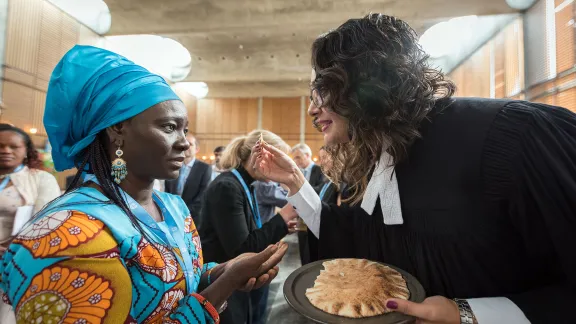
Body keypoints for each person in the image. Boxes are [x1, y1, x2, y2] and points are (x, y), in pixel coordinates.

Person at [253, 13, 576, 324]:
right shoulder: (380, 157)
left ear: (367, 84)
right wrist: (296, 183)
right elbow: (359, 237)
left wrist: (465, 314)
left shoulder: (515, 136)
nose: (311, 108)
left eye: (321, 89)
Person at [0, 45, 288, 324]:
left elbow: (175, 283)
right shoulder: (69, 234)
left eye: (184, 129)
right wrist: (224, 287)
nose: (185, 143)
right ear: (117, 129)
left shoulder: (172, 207)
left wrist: (221, 272)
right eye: (168, 127)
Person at [197, 130, 298, 324]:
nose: (279, 169)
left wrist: (282, 225)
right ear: (257, 155)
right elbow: (242, 249)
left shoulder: (245, 184)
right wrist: (284, 216)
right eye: (276, 161)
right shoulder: (227, 186)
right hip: (221, 282)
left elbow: (250, 234)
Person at [0, 124, 61, 242]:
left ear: (26, 151)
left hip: (18, 252)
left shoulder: (42, 179)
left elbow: (46, 221)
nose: (6, 151)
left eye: (14, 147)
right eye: (0, 146)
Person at [165, 134, 212, 220]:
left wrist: (184, 213)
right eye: (184, 143)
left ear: (197, 149)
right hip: (172, 215)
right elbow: (167, 191)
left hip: (193, 217)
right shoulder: (172, 166)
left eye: (190, 144)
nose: (186, 146)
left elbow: (202, 196)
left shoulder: (205, 168)